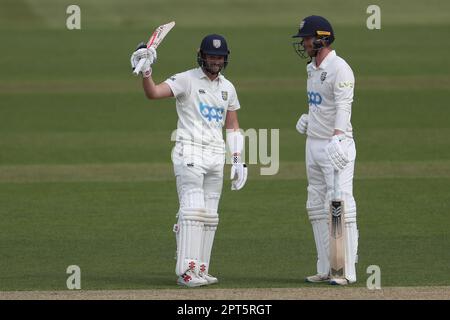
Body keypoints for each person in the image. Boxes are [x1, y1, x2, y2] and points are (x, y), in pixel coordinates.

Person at [130, 34, 247, 287]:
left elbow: (233, 125)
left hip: (216, 157)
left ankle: (201, 269)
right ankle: (186, 271)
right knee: (192, 211)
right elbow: (154, 93)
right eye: (211, 56)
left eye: (219, 57)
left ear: (225, 59)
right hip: (190, 152)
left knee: (210, 216)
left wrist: (238, 160)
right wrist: (147, 71)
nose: (215, 61)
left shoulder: (228, 88)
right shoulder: (186, 79)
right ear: (201, 56)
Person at [292, 15, 358, 285]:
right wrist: (310, 119)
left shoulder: (340, 68)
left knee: (339, 203)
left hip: (335, 146)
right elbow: (321, 103)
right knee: (316, 206)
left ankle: (345, 270)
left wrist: (338, 136)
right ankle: (326, 267)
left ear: (322, 38)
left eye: (307, 39)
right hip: (314, 143)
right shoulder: (312, 68)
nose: (304, 43)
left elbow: (344, 105)